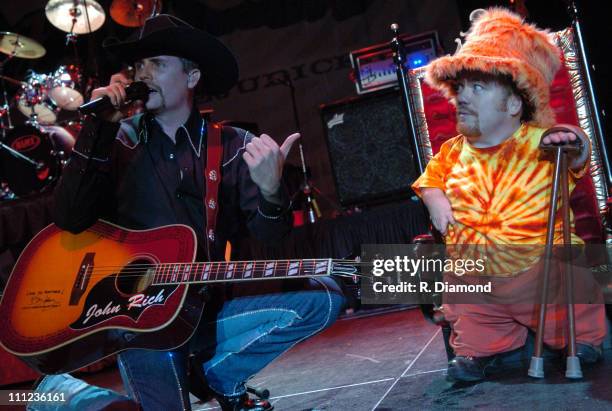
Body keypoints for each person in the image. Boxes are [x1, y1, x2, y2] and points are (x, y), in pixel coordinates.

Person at [30, 14, 344, 411]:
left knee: (326, 296)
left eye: (156, 64)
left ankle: (217, 374)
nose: (142, 75)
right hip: (140, 324)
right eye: (138, 66)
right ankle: (69, 393)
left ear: (192, 77)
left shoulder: (230, 146)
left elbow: (270, 237)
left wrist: (270, 191)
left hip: (203, 313)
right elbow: (69, 218)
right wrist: (97, 127)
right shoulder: (116, 141)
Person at [412, 8, 607, 382]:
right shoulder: (453, 150)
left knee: (566, 289)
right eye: (461, 89)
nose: (463, 97)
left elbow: (578, 153)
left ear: (515, 104)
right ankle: (486, 350)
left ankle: (580, 340)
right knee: (467, 303)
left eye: (478, 88)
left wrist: (571, 142)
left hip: (540, 270)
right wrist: (435, 200)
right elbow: (429, 179)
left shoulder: (541, 143)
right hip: (477, 276)